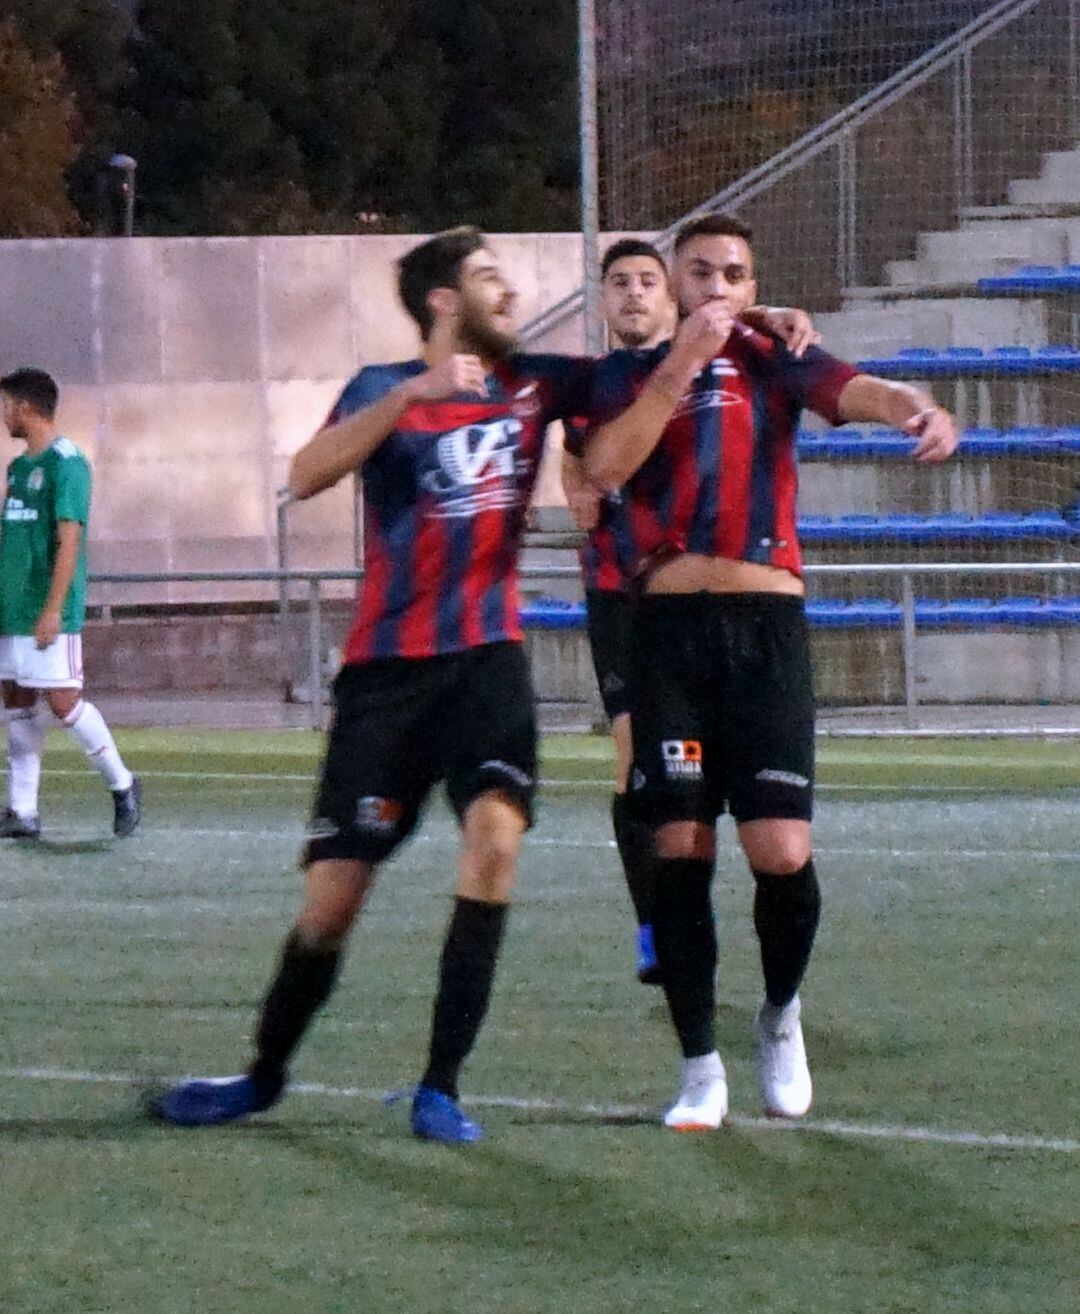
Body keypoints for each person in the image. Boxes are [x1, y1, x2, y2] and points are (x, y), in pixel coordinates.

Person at [152, 227, 594, 1143]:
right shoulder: (379, 388)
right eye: (487, 279)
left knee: (496, 842)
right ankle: (263, 1075)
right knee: (333, 903)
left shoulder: (535, 384)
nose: (507, 293)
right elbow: (307, 476)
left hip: (485, 661)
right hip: (387, 678)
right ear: (443, 301)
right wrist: (410, 396)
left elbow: (641, 375)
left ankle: (441, 1086)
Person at [579, 214, 958, 1130]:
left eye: (733, 274)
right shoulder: (626, 377)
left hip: (768, 627)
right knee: (680, 846)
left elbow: (853, 388)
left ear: (753, 286)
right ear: (671, 285)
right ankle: (698, 1063)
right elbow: (603, 471)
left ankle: (780, 1014)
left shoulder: (776, 358)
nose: (716, 286)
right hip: (667, 629)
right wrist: (680, 364)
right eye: (698, 272)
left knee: (781, 851)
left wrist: (915, 405)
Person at [561, 237, 820, 985]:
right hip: (623, 596)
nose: (635, 294)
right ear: (604, 300)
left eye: (648, 281)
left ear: (671, 293)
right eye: (620, 283)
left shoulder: (722, 363)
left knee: (727, 798)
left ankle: (709, 937)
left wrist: (762, 317)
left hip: (712, 601)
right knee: (632, 753)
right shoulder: (600, 385)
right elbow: (582, 495)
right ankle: (652, 927)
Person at [0, 368, 141, 840]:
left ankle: (122, 785)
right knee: (15, 703)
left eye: (5, 405)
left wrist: (53, 608)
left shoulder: (68, 463)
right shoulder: (18, 469)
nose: (3, 415)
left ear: (24, 407)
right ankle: (23, 811)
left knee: (64, 702)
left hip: (44, 610)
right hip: (10, 610)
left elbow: (70, 539)